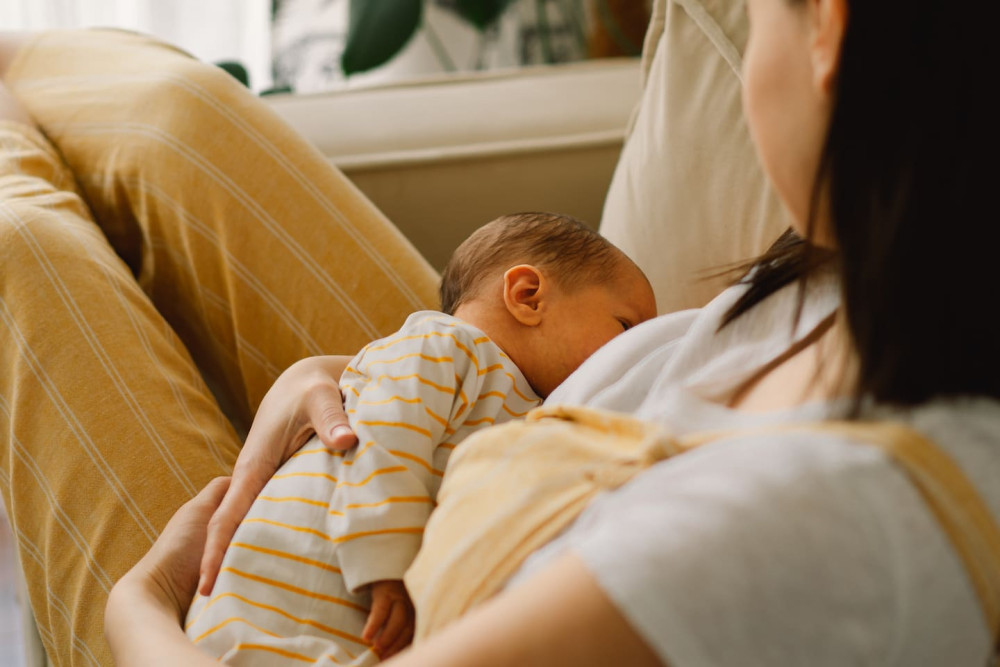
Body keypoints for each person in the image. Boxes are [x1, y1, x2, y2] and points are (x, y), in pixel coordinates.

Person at [2, 0, 997, 664]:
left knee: (22, 245)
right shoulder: (857, 276)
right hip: (453, 435)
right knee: (170, 118)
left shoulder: (821, 517)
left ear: (828, 28)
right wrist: (330, 375)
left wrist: (134, 610)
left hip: (275, 630)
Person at [184, 212, 655, 664]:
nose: (638, 349)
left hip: (344, 628)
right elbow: (381, 439)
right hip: (280, 596)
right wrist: (385, 561)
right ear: (528, 295)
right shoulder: (445, 347)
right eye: (627, 326)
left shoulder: (525, 403)